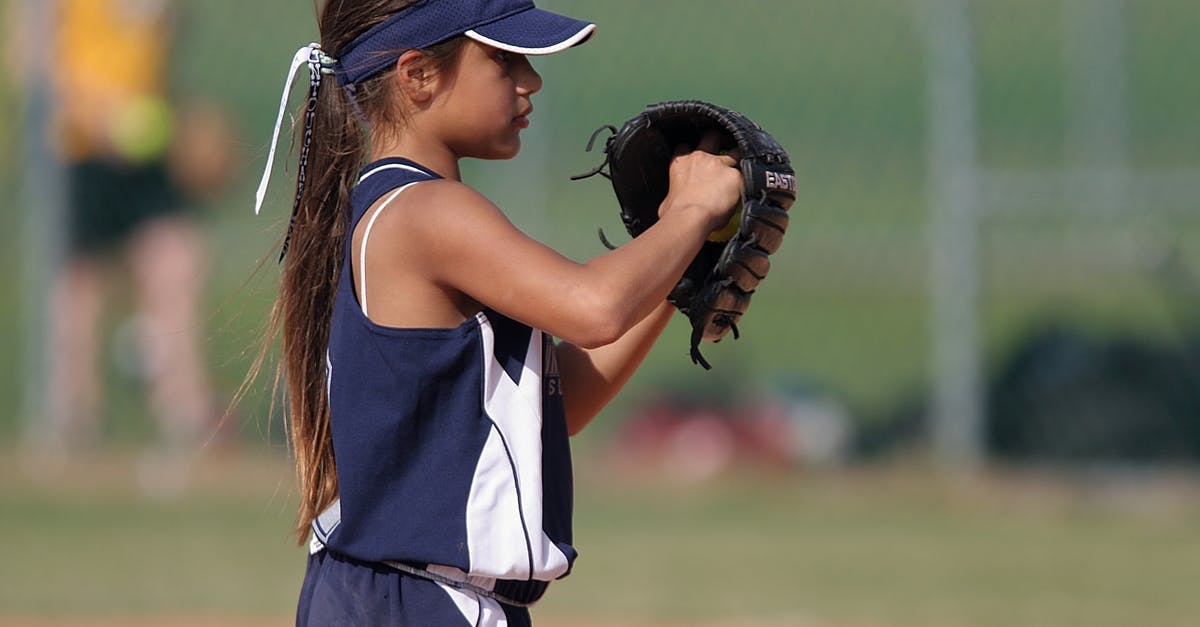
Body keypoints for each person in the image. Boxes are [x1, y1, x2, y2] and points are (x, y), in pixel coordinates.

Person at [252, 1, 742, 624]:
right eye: (504, 58)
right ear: (417, 74)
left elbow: (552, 409)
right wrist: (691, 213)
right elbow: (594, 308)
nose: (530, 79)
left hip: (410, 599)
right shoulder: (427, 214)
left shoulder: (402, 206)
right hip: (413, 603)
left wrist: (681, 269)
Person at [21, 0, 230, 486]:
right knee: (79, 287)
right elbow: (30, 58)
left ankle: (183, 413)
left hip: (146, 140)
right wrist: (99, 111)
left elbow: (163, 39)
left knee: (176, 259)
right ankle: (73, 420)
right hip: (76, 146)